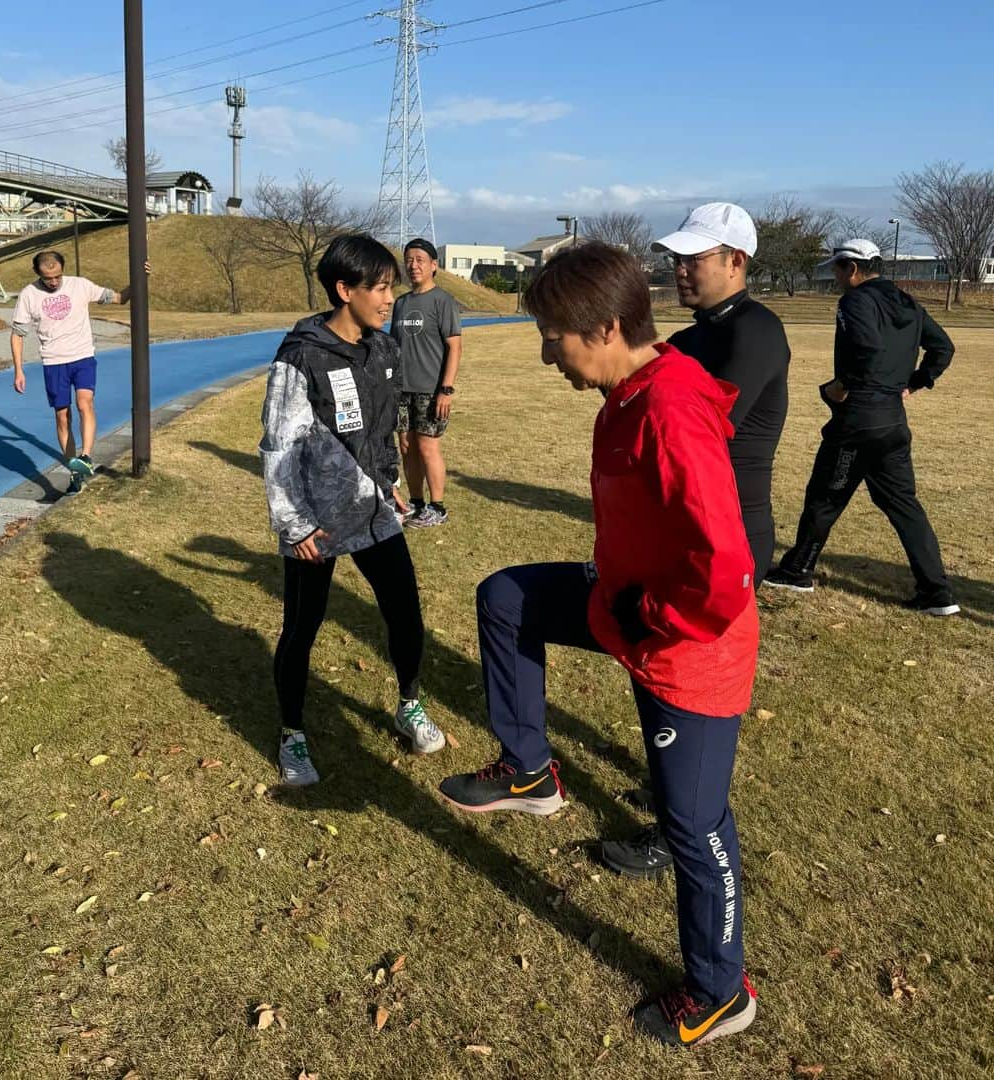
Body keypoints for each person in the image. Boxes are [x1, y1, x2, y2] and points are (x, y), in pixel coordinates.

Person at [439, 242, 760, 1047]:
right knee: (507, 598)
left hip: (687, 644)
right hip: (627, 604)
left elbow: (725, 571)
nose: (549, 352)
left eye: (555, 335)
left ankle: (722, 992)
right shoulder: (631, 389)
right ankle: (530, 773)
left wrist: (653, 613)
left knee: (693, 823)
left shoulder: (669, 408)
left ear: (607, 326)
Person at [602, 202, 790, 880]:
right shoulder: (690, 337)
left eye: (696, 258)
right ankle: (669, 792)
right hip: (680, 535)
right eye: (677, 257)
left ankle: (678, 824)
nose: (680, 269)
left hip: (729, 540)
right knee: (657, 670)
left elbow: (693, 429)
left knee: (691, 688)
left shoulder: (758, 333)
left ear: (736, 262)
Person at [260, 234, 446, 787]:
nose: (390, 298)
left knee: (406, 615)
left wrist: (387, 482)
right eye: (381, 288)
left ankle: (407, 703)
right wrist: (294, 524)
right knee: (303, 627)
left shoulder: (382, 350)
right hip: (315, 523)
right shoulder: (301, 356)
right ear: (345, 290)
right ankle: (292, 735)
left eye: (392, 287)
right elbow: (279, 445)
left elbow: (381, 432)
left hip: (373, 510)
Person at [764, 239, 958, 615]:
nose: (835, 277)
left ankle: (798, 570)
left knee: (825, 496)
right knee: (904, 505)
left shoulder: (854, 301)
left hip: (858, 421)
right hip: (893, 423)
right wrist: (915, 382)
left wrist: (843, 385)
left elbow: (866, 349)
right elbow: (943, 348)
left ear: (852, 269)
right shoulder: (907, 302)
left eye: (837, 269)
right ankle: (938, 593)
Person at [11, 251, 146, 495]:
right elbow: (17, 335)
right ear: (38, 274)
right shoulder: (28, 295)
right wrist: (19, 370)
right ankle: (75, 472)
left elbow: (120, 298)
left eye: (58, 276)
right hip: (53, 362)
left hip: (82, 356)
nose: (54, 281)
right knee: (63, 417)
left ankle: (85, 456)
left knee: (85, 404)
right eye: (48, 277)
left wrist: (139, 277)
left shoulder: (80, 286)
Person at [390, 238, 462, 528]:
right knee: (406, 445)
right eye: (409, 259)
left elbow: (454, 347)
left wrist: (445, 389)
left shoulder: (443, 301)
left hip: (430, 389)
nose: (413, 265)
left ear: (434, 265)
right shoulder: (401, 303)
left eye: (420, 259)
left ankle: (437, 507)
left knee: (427, 447)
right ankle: (416, 503)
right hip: (401, 389)